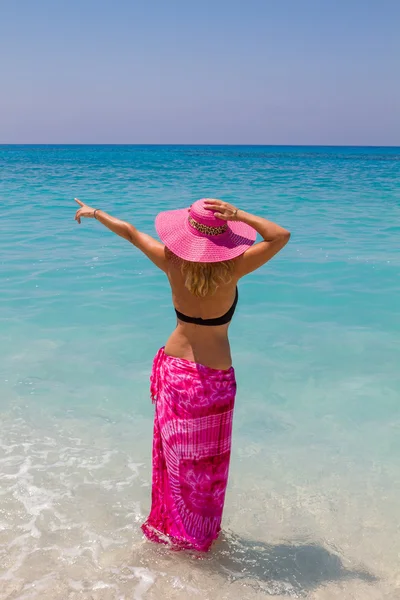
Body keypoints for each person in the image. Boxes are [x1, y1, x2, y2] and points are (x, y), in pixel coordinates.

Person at [74, 197, 290, 552]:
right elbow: (279, 236)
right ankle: (198, 536)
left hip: (175, 371)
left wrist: (94, 213)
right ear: (223, 235)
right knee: (207, 463)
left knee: (173, 458)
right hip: (214, 379)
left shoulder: (170, 261)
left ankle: (171, 529)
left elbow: (130, 232)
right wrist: (238, 215)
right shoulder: (235, 267)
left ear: (186, 232)